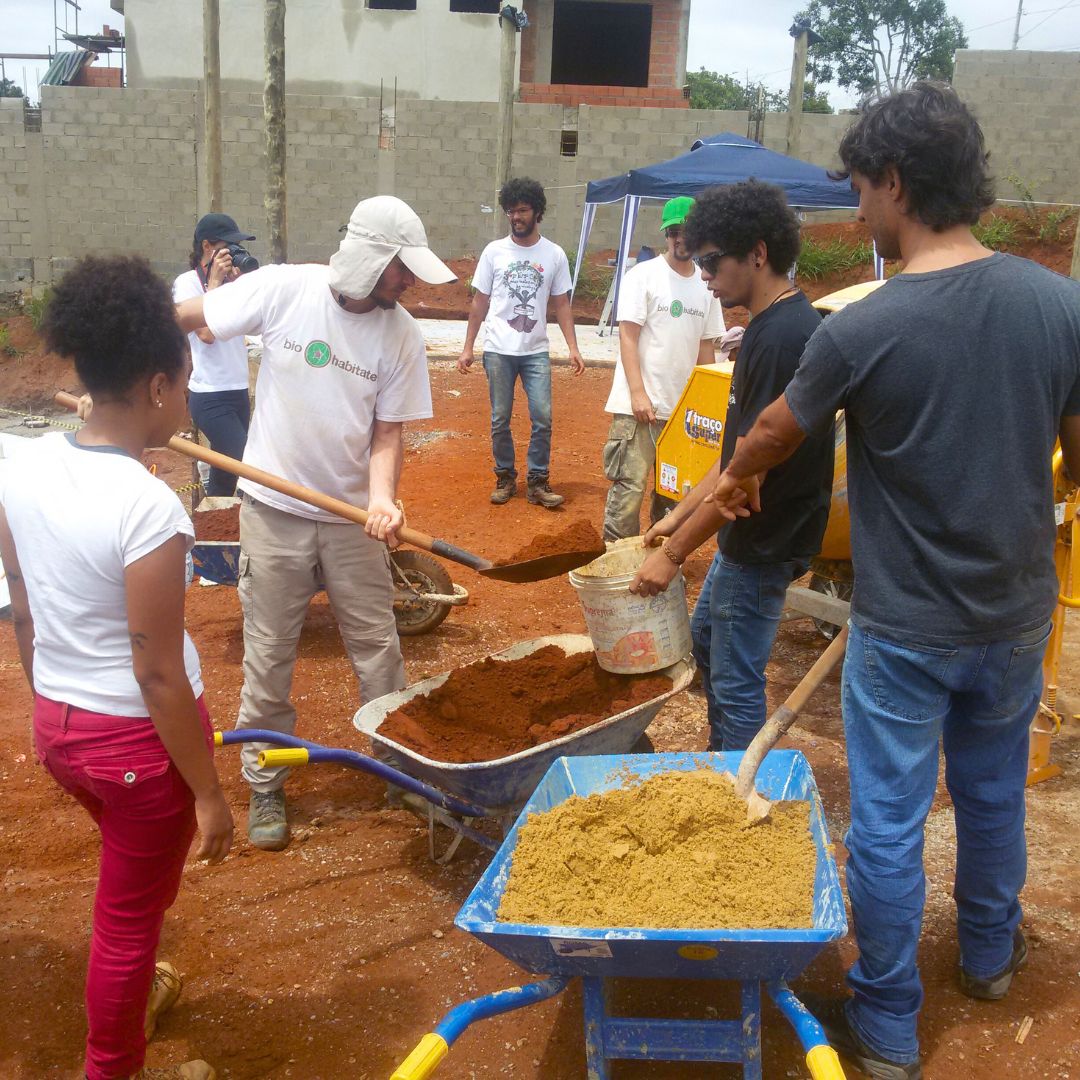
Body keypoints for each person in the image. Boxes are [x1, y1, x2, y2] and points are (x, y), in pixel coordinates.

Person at [703, 83, 1080, 1080]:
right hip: (1012, 616)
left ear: (898, 184)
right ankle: (991, 963)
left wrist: (735, 480)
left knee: (887, 820)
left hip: (906, 629)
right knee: (995, 799)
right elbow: (1079, 465)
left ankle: (886, 1025)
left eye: (862, 187)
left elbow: (778, 433)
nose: (854, 207)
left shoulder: (860, 328)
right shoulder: (1061, 306)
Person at [0, 255, 234, 1080]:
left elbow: (24, 605)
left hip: (61, 731)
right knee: (127, 921)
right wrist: (209, 792)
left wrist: (53, 704)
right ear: (160, 385)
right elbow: (157, 672)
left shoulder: (21, 467)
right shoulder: (149, 507)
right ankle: (111, 1066)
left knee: (133, 885)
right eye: (187, 370)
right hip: (137, 746)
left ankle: (129, 1006)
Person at [176, 195, 454, 852]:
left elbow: (387, 434)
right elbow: (189, 317)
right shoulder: (284, 290)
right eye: (399, 269)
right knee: (268, 658)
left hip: (351, 519)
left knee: (380, 650)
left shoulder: (401, 336)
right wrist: (132, 360)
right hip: (272, 515)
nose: (407, 282)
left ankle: (398, 766)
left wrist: (384, 500)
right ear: (368, 259)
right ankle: (265, 781)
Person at [630, 181, 834, 753]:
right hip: (750, 537)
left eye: (712, 262)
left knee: (737, 678)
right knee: (706, 643)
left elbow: (745, 483)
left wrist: (672, 557)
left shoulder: (781, 340)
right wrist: (677, 517)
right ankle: (727, 755)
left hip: (764, 536)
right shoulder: (768, 330)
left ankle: (732, 790)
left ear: (759, 253)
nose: (705, 277)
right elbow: (735, 457)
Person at [601, 195, 726, 541]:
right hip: (638, 409)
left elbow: (705, 349)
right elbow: (628, 338)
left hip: (682, 415)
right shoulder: (644, 276)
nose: (679, 238)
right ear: (666, 235)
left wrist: (704, 406)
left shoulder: (707, 284)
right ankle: (618, 564)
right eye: (673, 232)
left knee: (673, 498)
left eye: (686, 231)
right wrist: (638, 394)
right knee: (628, 492)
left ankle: (662, 567)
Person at [456, 177, 585, 508]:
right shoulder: (493, 252)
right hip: (498, 349)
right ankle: (505, 477)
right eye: (511, 211)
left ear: (537, 211)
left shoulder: (554, 254)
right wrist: (468, 347)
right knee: (500, 419)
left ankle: (538, 482)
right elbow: (479, 302)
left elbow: (562, 305)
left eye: (523, 210)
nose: (516, 217)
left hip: (535, 351)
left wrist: (573, 347)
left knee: (542, 416)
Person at [173, 213, 258, 497]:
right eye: (227, 247)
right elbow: (206, 335)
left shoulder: (233, 285)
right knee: (244, 459)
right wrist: (215, 286)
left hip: (238, 391)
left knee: (225, 470)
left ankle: (216, 527)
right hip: (210, 394)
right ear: (207, 247)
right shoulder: (188, 284)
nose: (232, 254)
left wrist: (240, 284)